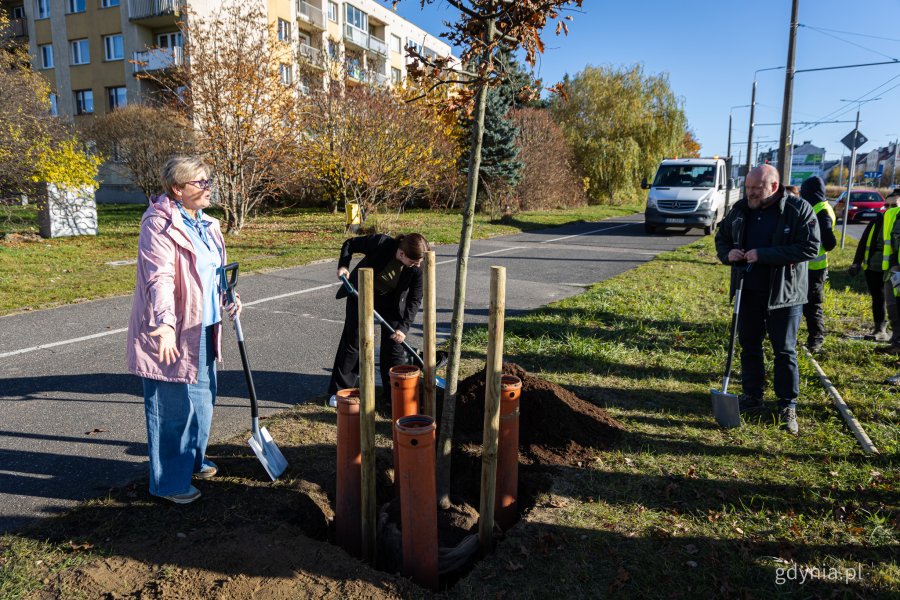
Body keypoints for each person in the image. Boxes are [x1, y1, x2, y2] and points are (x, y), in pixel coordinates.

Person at [126, 156, 241, 504]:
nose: (209, 188)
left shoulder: (206, 223)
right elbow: (158, 278)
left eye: (209, 180)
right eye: (200, 182)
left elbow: (214, 272)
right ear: (177, 189)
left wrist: (230, 297)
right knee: (171, 406)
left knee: (203, 400)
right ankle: (168, 483)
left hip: (203, 325)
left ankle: (192, 459)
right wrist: (163, 325)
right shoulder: (158, 225)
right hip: (169, 332)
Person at [714, 164, 820, 434]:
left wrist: (764, 254)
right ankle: (752, 396)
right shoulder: (740, 210)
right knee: (749, 345)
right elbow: (722, 237)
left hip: (785, 295)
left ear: (773, 187)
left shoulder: (798, 209)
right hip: (747, 290)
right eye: (748, 188)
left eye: (756, 189)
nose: (750, 193)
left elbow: (809, 247)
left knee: (784, 350)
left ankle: (787, 405)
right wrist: (729, 254)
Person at [328, 233, 429, 405]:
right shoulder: (381, 243)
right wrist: (343, 265)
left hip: (392, 302)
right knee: (353, 340)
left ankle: (392, 395)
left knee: (394, 346)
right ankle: (339, 392)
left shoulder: (417, 267)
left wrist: (403, 328)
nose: (417, 265)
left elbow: (415, 299)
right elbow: (350, 244)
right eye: (414, 262)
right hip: (360, 294)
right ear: (402, 253)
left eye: (419, 262)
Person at [799, 176, 837, 353]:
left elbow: (830, 242)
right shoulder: (817, 206)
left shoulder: (821, 211)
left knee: (813, 305)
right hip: (805, 267)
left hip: (815, 268)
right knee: (802, 303)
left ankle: (816, 339)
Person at [849, 211, 893, 342]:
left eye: (894, 205)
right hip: (874, 267)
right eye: (887, 205)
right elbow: (864, 242)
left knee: (894, 301)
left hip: (893, 268)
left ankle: (895, 333)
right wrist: (857, 262)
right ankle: (880, 329)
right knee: (878, 298)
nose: (889, 208)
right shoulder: (877, 220)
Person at [875, 202, 900, 356]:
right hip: (893, 270)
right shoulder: (891, 214)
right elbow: (886, 243)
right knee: (893, 306)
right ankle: (897, 341)